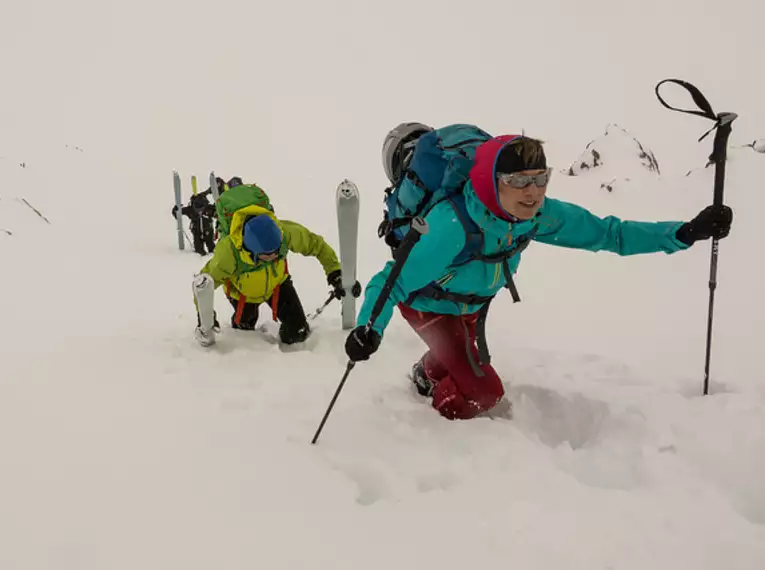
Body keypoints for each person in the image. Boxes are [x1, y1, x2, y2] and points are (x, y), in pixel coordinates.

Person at [344, 133, 733, 420]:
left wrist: (683, 233)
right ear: (490, 181)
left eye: (539, 178)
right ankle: (444, 427)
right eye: (517, 181)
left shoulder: (537, 213)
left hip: (472, 302)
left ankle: (428, 372)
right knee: (483, 393)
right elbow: (390, 282)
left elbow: (608, 233)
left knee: (460, 359)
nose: (532, 192)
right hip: (428, 302)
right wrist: (369, 328)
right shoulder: (451, 226)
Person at [192, 201, 360, 347]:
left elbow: (317, 245)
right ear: (251, 250)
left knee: (298, 332)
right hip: (243, 295)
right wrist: (205, 315)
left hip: (278, 285)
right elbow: (203, 283)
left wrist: (335, 272)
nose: (274, 256)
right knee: (244, 338)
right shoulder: (228, 253)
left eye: (277, 252)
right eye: (267, 255)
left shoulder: (284, 232)